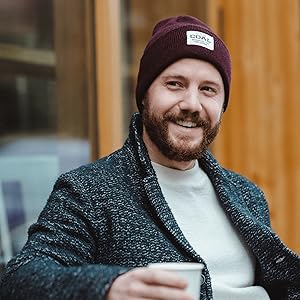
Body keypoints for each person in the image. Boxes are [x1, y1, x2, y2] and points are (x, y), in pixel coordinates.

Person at [0, 15, 299, 300]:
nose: (192, 104)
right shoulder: (89, 191)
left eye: (208, 89)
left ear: (222, 106)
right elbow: (21, 278)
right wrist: (108, 287)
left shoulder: (247, 195)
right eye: (175, 84)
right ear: (144, 95)